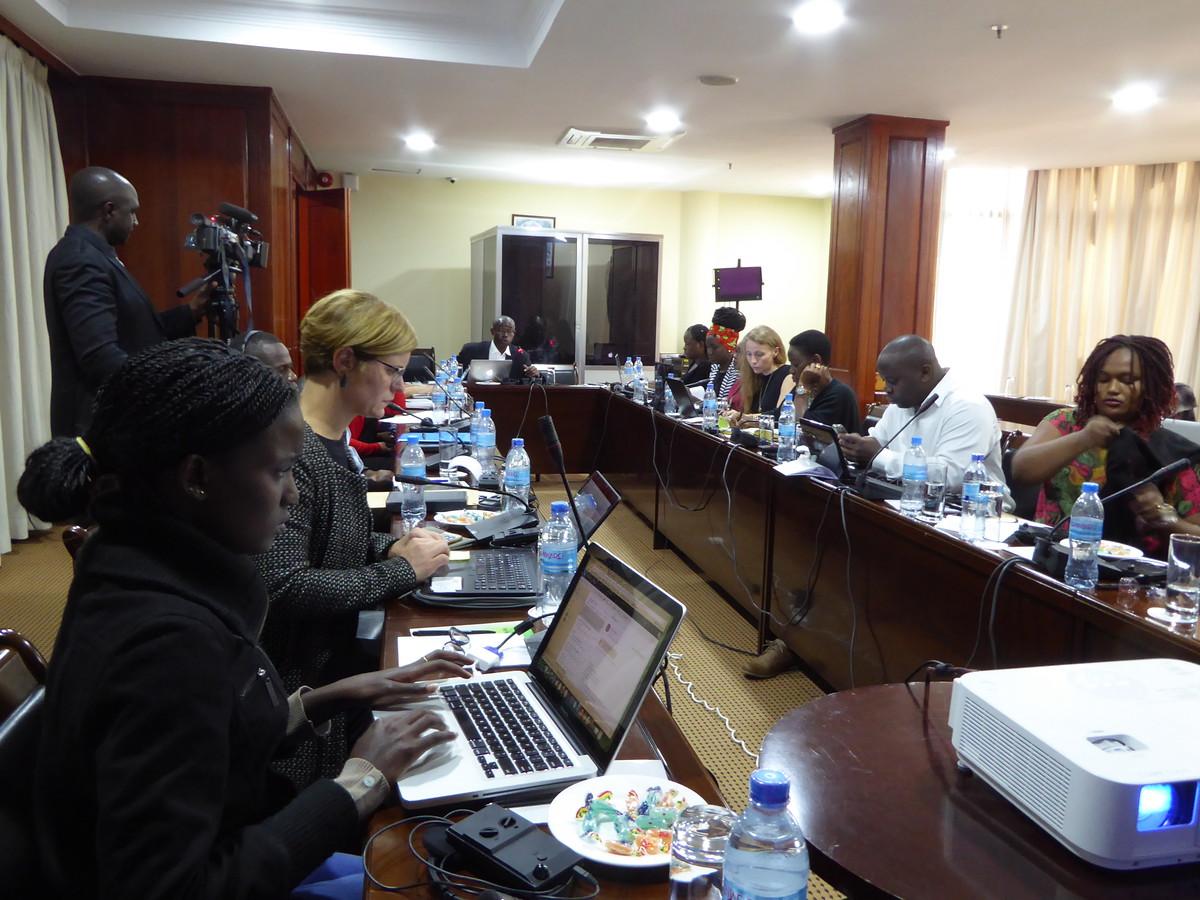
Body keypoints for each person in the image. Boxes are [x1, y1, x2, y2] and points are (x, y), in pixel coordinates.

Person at [17, 338, 471, 899]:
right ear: (196, 477)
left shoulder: (134, 561)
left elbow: (212, 733)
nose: (292, 494)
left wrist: (329, 697)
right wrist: (358, 783)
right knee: (442, 878)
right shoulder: (167, 645)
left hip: (236, 833)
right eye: (279, 471)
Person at [254, 289, 451, 789]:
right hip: (297, 703)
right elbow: (284, 586)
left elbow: (331, 543)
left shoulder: (331, 439)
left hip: (331, 673)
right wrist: (400, 570)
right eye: (392, 371)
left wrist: (392, 548)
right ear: (345, 361)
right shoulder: (293, 450)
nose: (399, 386)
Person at [43, 166, 205, 436]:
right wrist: (172, 384)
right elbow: (100, 356)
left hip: (116, 421)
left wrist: (191, 312)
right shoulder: (80, 260)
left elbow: (132, 332)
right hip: (99, 429)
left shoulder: (95, 256)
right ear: (109, 211)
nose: (136, 221)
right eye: (132, 212)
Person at [1011, 335, 1200, 556]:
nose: (1113, 388)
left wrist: (1165, 519)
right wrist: (1083, 438)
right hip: (1052, 558)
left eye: (1127, 380)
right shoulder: (1065, 423)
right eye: (1103, 379)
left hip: (1132, 570)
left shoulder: (1171, 451)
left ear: (1152, 386)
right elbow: (1021, 470)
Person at [837, 335, 1005, 491]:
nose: (887, 389)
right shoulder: (901, 404)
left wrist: (879, 456)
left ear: (925, 372)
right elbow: (877, 441)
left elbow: (951, 476)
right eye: (884, 380)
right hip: (909, 498)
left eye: (892, 381)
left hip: (972, 508)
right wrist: (856, 447)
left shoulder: (969, 407)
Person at [787, 330, 861, 432]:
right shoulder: (806, 388)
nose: (791, 371)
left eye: (796, 365)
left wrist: (802, 389)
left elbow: (799, 427)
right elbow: (780, 416)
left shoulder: (840, 395)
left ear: (816, 361)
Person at [727, 326, 792, 427]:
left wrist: (747, 418)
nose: (753, 361)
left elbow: (781, 415)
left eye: (759, 354)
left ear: (775, 352)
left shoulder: (788, 374)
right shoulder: (752, 376)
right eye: (749, 354)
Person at [458, 315, 535, 379]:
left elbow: (530, 378)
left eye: (509, 331)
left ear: (514, 333)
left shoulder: (521, 355)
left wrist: (534, 374)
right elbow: (456, 373)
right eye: (501, 331)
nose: (505, 335)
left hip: (508, 392)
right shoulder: (471, 350)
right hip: (476, 391)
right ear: (492, 331)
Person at [703, 306, 746, 402]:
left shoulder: (740, 371)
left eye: (714, 347)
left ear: (730, 346)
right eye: (707, 346)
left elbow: (729, 404)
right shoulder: (715, 367)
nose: (709, 352)